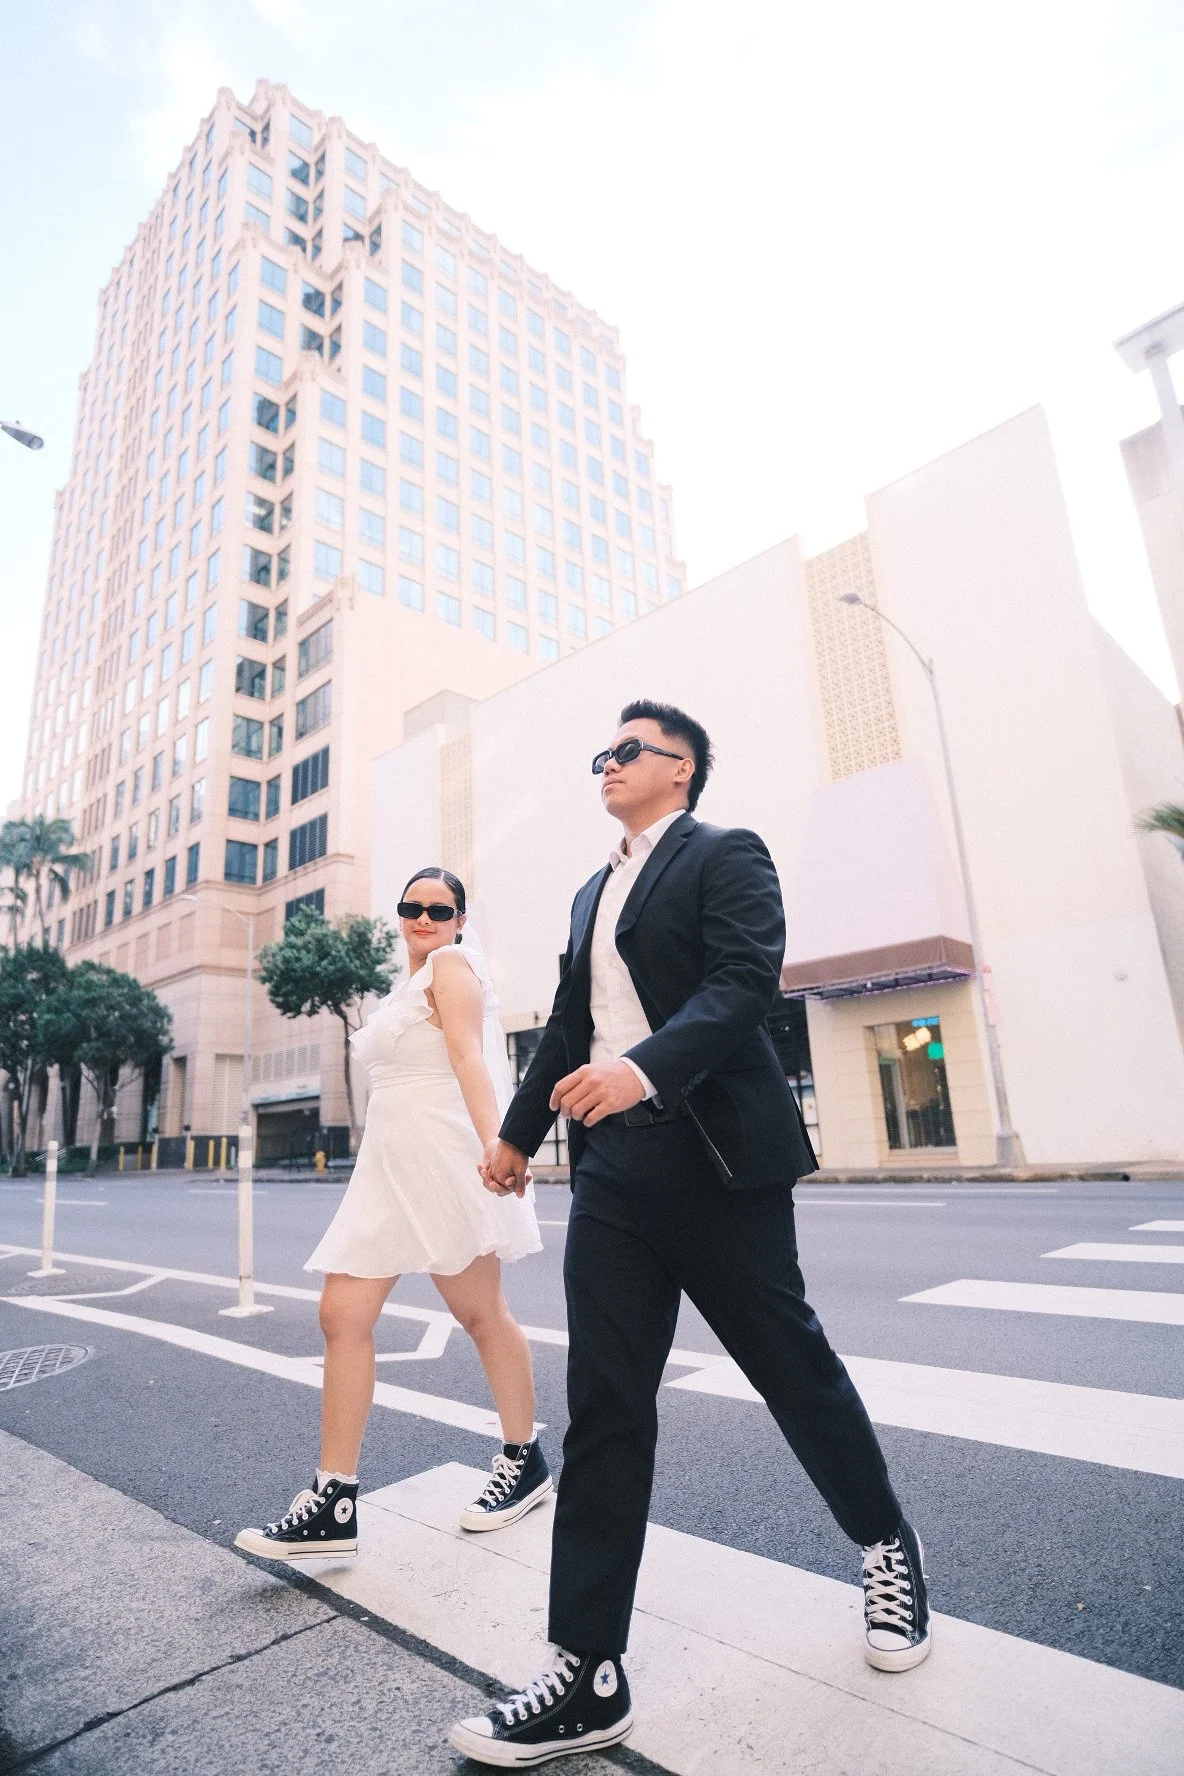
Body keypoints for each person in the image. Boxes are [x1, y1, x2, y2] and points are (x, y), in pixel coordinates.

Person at [449, 702, 930, 1767]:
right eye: (600, 754)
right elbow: (568, 1026)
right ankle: (585, 1670)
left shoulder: (725, 853)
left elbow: (742, 986)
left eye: (625, 751)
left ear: (681, 768)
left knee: (789, 1367)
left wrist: (642, 1070)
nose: (606, 766)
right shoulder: (589, 886)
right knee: (608, 1408)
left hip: (713, 1159)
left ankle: (884, 1544)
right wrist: (517, 1135)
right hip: (612, 1171)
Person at [236, 868, 551, 1563]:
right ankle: (334, 1499)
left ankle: (524, 1458)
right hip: (387, 1166)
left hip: (444, 1158)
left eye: (440, 908)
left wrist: (502, 1144)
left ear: (461, 918)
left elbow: (470, 1057)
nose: (424, 916)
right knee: (341, 1315)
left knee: (481, 1315)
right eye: (412, 906)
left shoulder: (453, 964)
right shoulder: (404, 985)